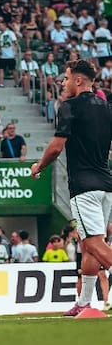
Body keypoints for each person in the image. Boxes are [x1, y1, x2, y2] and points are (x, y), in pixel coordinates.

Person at [31, 59, 112, 316]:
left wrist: (39, 166)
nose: (63, 83)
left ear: (78, 81)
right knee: (88, 246)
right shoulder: (106, 107)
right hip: (105, 186)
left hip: (83, 187)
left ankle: (85, 302)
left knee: (94, 243)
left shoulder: (68, 106)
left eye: (66, 78)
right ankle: (84, 303)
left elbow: (56, 147)